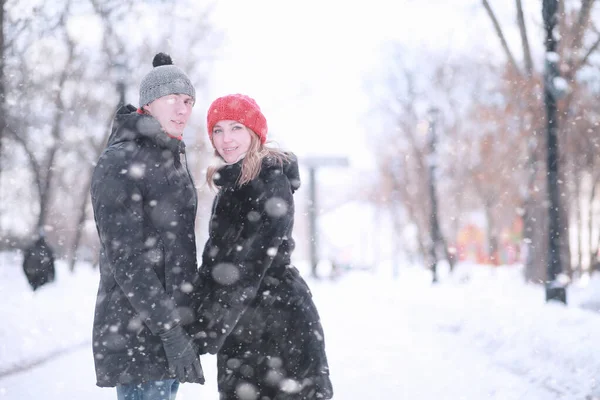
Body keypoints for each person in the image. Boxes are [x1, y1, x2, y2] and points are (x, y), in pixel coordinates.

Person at [191, 94, 333, 400]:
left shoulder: (270, 179)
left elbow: (252, 262)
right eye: (218, 130)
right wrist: (194, 312)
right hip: (244, 323)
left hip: (277, 320)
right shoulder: (231, 184)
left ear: (255, 133)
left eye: (236, 128)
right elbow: (215, 260)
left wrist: (207, 329)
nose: (226, 139)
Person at [90, 52, 204, 399]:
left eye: (188, 101)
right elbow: (127, 260)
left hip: (168, 336)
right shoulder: (120, 160)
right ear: (148, 104)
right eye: (173, 99)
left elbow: (177, 253)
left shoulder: (171, 160)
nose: (183, 109)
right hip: (138, 336)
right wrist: (169, 331)